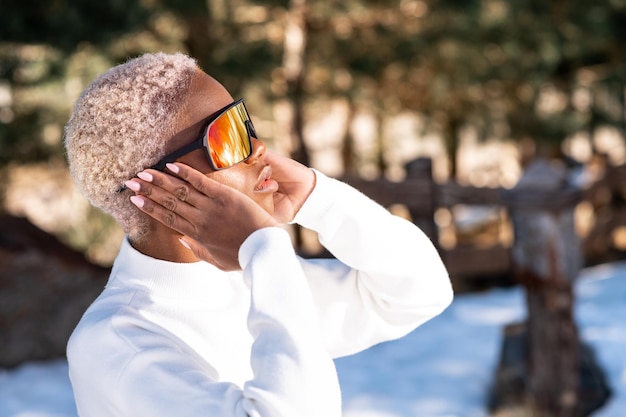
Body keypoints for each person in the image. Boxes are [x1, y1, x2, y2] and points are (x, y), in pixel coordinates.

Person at [64, 51, 453, 417]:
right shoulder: (114, 344)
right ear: (153, 187)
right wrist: (264, 246)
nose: (258, 148)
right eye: (226, 136)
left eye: (244, 121)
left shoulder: (246, 280)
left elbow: (420, 293)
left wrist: (321, 200)